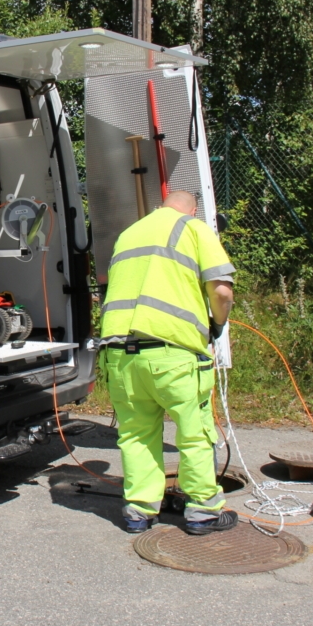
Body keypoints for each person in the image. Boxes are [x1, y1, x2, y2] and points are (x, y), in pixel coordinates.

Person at [100, 191, 237, 535]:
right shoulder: (192, 228)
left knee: (136, 434)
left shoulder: (128, 235)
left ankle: (139, 512)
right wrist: (216, 325)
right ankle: (203, 511)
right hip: (172, 354)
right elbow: (222, 291)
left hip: (119, 354)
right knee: (194, 433)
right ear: (193, 210)